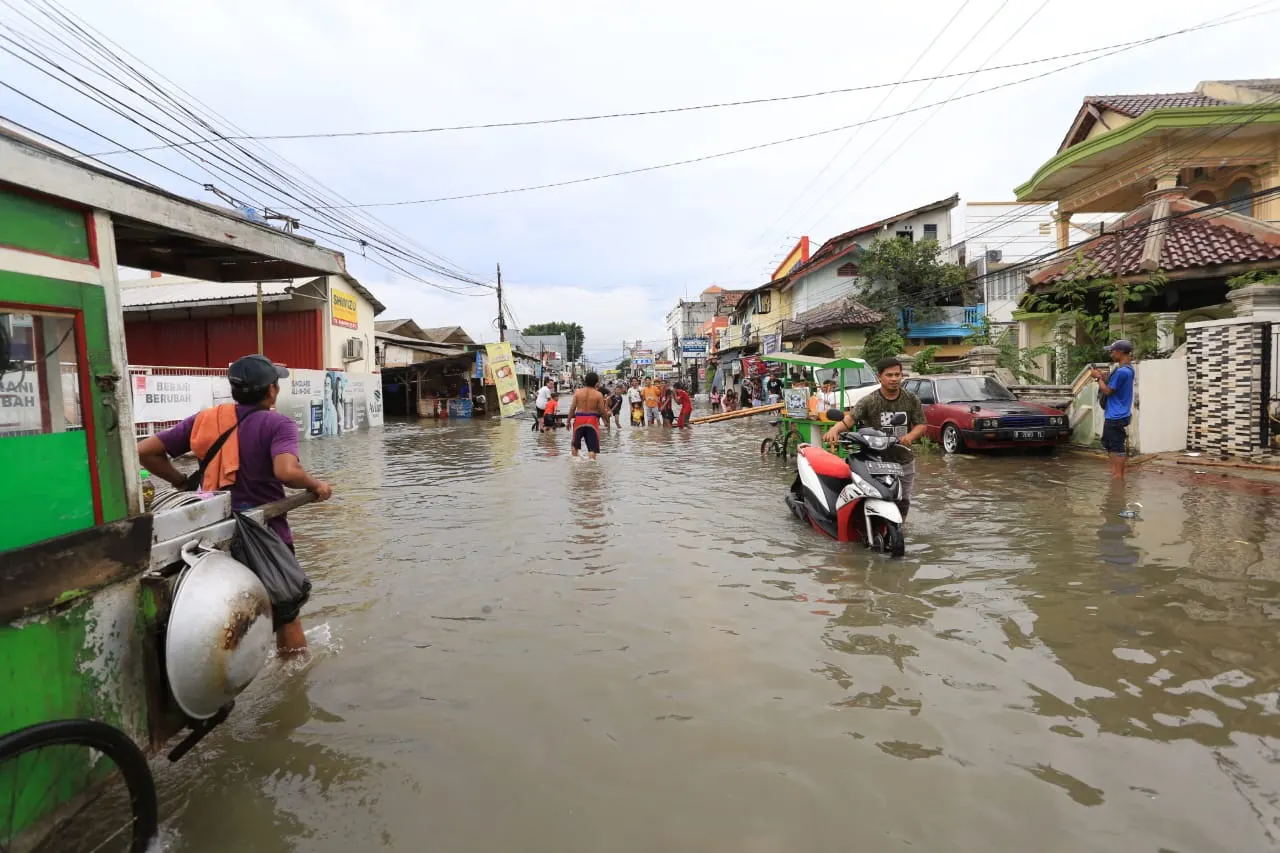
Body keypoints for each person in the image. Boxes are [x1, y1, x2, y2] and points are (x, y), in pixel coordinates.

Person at [137, 354, 332, 656]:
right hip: (265, 533)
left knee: (228, 614)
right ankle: (295, 680)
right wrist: (316, 485)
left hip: (210, 535)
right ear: (271, 391)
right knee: (286, 611)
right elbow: (286, 472)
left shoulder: (204, 420)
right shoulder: (278, 425)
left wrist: (180, 482)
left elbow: (146, 452)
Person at [823, 357, 926, 520]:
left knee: (903, 500)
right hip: (875, 460)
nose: (894, 379)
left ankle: (900, 529)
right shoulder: (869, 401)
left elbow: (921, 424)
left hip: (903, 458)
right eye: (889, 375)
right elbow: (850, 420)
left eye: (897, 375)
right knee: (870, 495)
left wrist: (909, 437)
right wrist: (835, 429)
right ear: (880, 377)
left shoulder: (911, 399)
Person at [1094, 339, 1135, 481]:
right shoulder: (1125, 369)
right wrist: (1104, 378)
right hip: (1115, 414)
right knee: (1109, 444)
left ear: (1120, 352)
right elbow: (1114, 386)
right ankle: (1114, 473)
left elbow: (1107, 391)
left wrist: (1098, 378)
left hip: (1117, 415)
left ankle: (1119, 477)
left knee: (1117, 447)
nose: (1111, 354)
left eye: (1112, 351)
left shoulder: (1123, 371)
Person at [567, 372, 611, 459]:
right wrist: (606, 421)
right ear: (596, 382)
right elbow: (602, 411)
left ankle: (574, 464)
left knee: (575, 445)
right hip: (592, 420)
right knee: (592, 448)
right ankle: (591, 468)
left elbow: (572, 409)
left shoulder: (578, 393)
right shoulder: (598, 394)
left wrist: (568, 421)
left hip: (579, 419)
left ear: (585, 381)